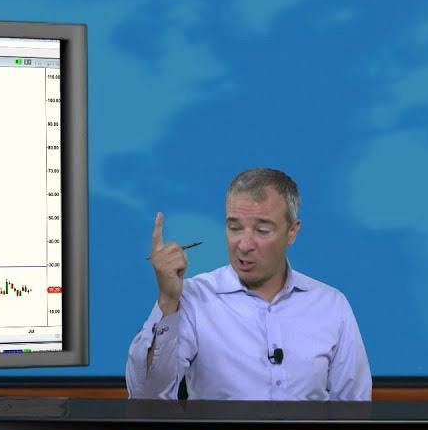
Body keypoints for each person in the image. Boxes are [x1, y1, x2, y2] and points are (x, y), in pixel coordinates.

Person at [125, 168, 371, 400]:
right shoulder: (193, 298)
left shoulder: (331, 305)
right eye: (235, 228)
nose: (244, 245)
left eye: (262, 230)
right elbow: (146, 397)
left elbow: (354, 408)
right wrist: (167, 301)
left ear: (292, 231)